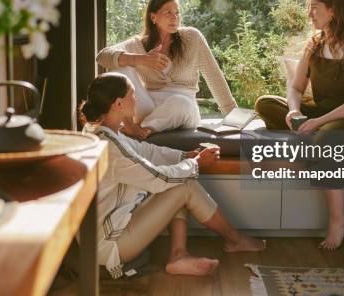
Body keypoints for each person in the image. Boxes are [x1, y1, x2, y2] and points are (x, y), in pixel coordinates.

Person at [79, 72, 265, 279]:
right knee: (182, 184)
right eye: (132, 93)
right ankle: (233, 240)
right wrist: (194, 163)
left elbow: (146, 151)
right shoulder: (110, 147)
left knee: (181, 178)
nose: (137, 98)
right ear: (118, 103)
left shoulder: (103, 132)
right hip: (107, 244)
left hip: (107, 227)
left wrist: (185, 155)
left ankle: (180, 256)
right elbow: (161, 179)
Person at [255, 0, 344, 251]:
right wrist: (294, 110)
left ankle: (338, 219)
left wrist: (317, 122)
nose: (309, 15)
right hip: (323, 112)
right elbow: (296, 87)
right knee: (266, 104)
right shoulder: (315, 44)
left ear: (333, 11)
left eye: (315, 9)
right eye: (309, 8)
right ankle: (309, 134)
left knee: (326, 139)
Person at [96, 0, 237, 139]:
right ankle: (130, 125)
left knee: (180, 102)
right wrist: (141, 59)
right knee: (120, 63)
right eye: (168, 12)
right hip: (148, 106)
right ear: (153, 17)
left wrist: (233, 114)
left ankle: (142, 130)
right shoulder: (138, 44)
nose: (174, 17)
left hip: (183, 108)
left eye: (177, 12)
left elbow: (214, 75)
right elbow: (102, 56)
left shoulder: (192, 37)